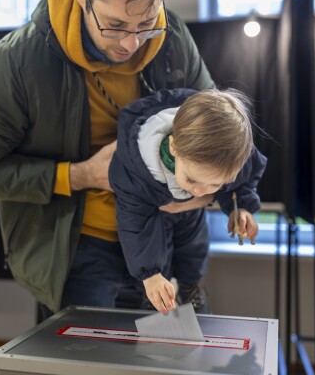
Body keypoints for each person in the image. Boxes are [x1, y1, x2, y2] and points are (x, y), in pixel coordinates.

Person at [0, 0, 215, 318]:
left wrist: (204, 191)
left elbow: (216, 132)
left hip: (163, 241)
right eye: (114, 25)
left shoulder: (173, 38)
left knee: (164, 368)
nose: (132, 44)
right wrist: (80, 175)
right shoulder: (19, 60)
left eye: (147, 24)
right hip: (77, 254)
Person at [110, 88, 268, 314]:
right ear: (174, 147)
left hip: (190, 216)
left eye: (215, 184)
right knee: (155, 249)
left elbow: (244, 179)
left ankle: (190, 287)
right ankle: (153, 296)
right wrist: (150, 275)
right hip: (152, 214)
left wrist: (241, 207)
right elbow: (133, 221)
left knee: (195, 248)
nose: (201, 191)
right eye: (192, 179)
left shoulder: (231, 155)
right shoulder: (138, 170)